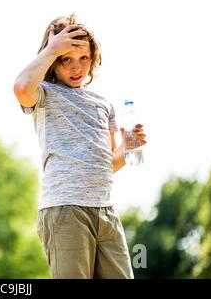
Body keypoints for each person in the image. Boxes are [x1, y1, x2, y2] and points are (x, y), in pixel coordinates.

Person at [13, 14, 147, 279]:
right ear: (53, 61)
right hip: (66, 209)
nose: (77, 68)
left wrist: (128, 147)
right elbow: (20, 87)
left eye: (83, 58)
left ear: (93, 58)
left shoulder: (103, 104)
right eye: (66, 59)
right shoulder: (44, 94)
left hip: (105, 211)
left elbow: (108, 163)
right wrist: (52, 49)